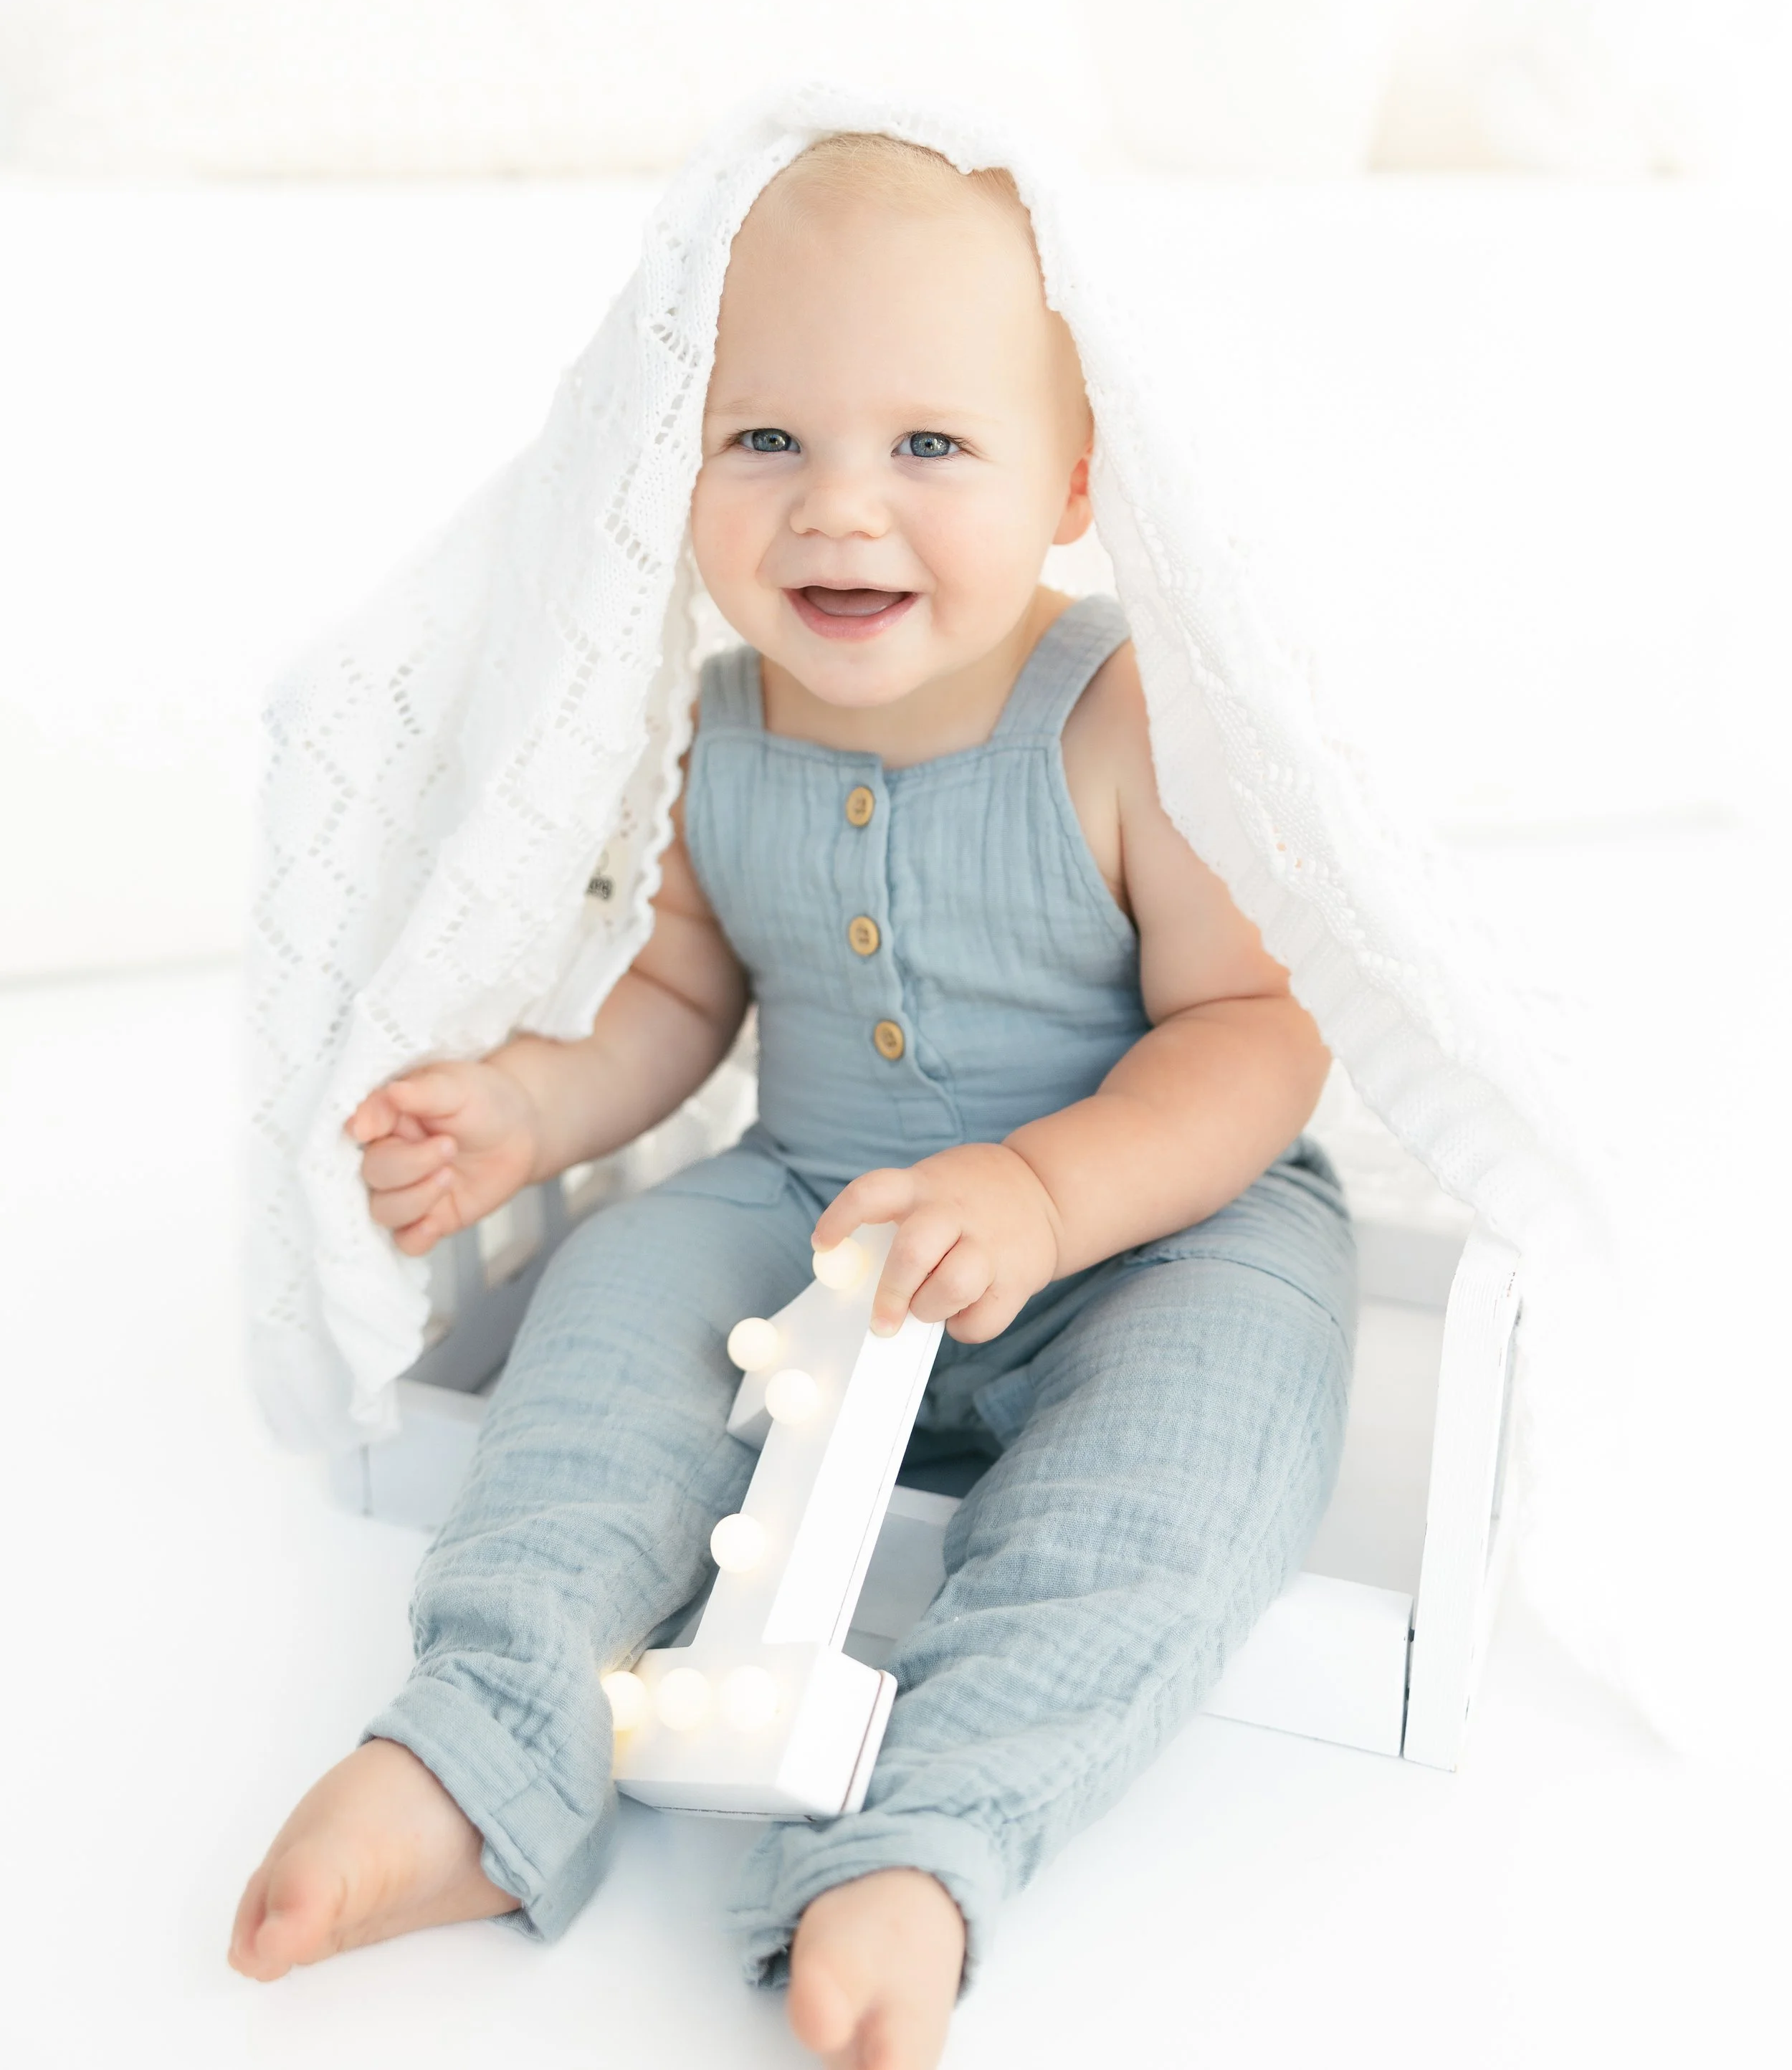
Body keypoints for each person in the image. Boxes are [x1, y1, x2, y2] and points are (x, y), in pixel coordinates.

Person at [229, 130, 1355, 2070]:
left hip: (1150, 1223)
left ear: (1075, 480)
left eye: (930, 444)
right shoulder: (714, 727)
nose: (841, 505)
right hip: (818, 1196)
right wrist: (531, 1100)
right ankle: (487, 1741)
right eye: (765, 439)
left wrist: (1045, 1190)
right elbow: (678, 993)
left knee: (1201, 1449)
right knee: (607, 1312)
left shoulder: (1117, 717)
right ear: (672, 468)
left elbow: (1255, 1033)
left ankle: (923, 1835)